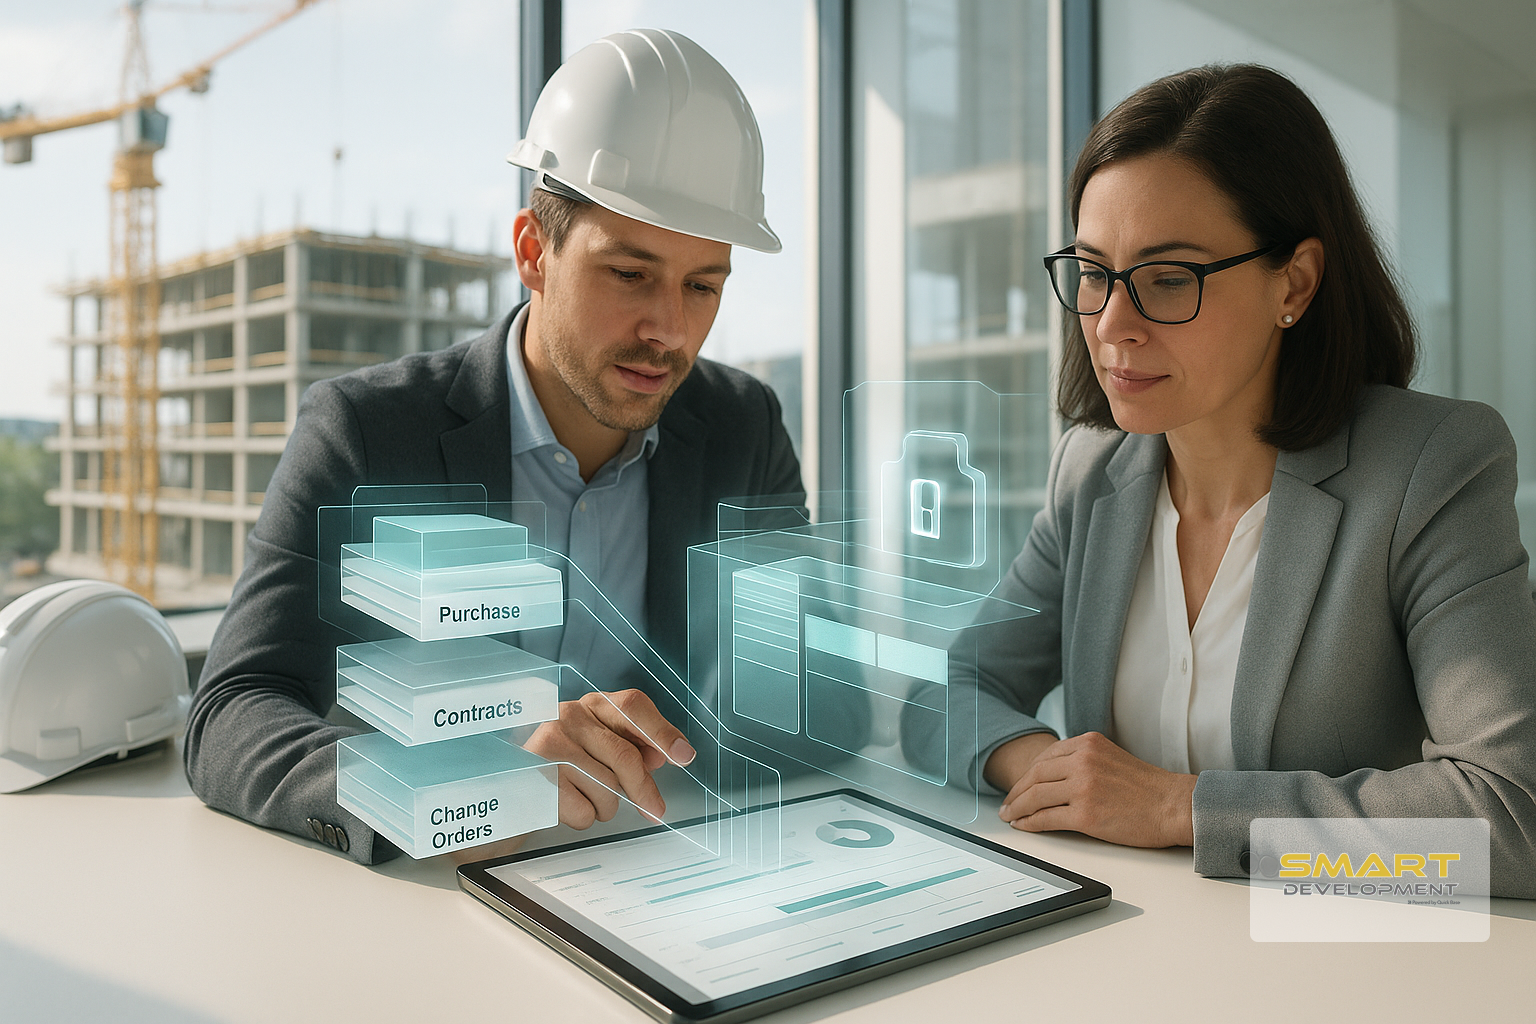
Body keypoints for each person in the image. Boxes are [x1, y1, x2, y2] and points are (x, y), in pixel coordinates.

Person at [185, 29, 803, 865]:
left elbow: (802, 696)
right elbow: (232, 711)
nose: (668, 330)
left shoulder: (742, 427)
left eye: (702, 286)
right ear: (532, 253)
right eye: (629, 274)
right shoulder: (365, 433)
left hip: (657, 863)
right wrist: (460, 783)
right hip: (436, 888)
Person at [926, 64, 1536, 897]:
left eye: (1169, 278)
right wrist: (1051, 770)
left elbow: (1512, 813)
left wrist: (1182, 809)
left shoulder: (1431, 467)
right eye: (1094, 272)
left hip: (1348, 964)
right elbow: (949, 692)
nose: (1112, 324)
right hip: (1129, 954)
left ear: (1295, 281)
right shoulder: (1090, 470)